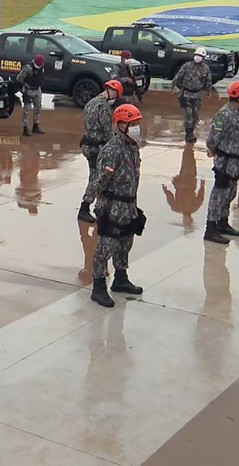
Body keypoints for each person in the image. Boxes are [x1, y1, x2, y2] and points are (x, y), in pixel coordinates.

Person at [90, 104, 146, 308]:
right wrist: (96, 205)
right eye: (133, 124)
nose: (137, 128)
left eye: (138, 124)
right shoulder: (112, 150)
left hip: (128, 205)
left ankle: (121, 279)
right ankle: (98, 287)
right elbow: (101, 181)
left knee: (125, 244)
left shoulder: (132, 147)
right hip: (112, 206)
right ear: (121, 125)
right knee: (106, 247)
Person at [204, 81, 239, 244]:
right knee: (219, 194)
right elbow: (212, 139)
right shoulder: (224, 115)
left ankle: (223, 223)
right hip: (225, 161)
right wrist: (216, 151)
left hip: (236, 160)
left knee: (230, 193)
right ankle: (211, 229)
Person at [78, 80, 121, 223]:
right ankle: (85, 207)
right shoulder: (103, 107)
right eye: (116, 95)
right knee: (97, 178)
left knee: (98, 177)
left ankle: (99, 207)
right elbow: (108, 131)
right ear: (112, 92)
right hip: (97, 148)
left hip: (87, 144)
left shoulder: (91, 102)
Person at [171, 48, 213, 143]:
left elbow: (208, 81)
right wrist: (173, 87)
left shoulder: (206, 68)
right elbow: (178, 77)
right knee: (188, 115)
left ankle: (191, 131)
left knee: (195, 115)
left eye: (200, 56)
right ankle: (189, 134)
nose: (198, 57)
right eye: (197, 55)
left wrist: (208, 91)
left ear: (203, 58)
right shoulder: (187, 66)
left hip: (198, 95)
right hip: (186, 94)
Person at [17, 54, 45, 137]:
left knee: (38, 107)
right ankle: (25, 128)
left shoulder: (42, 66)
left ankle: (36, 125)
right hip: (28, 90)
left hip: (37, 90)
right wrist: (26, 85)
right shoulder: (28, 68)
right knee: (26, 109)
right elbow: (19, 78)